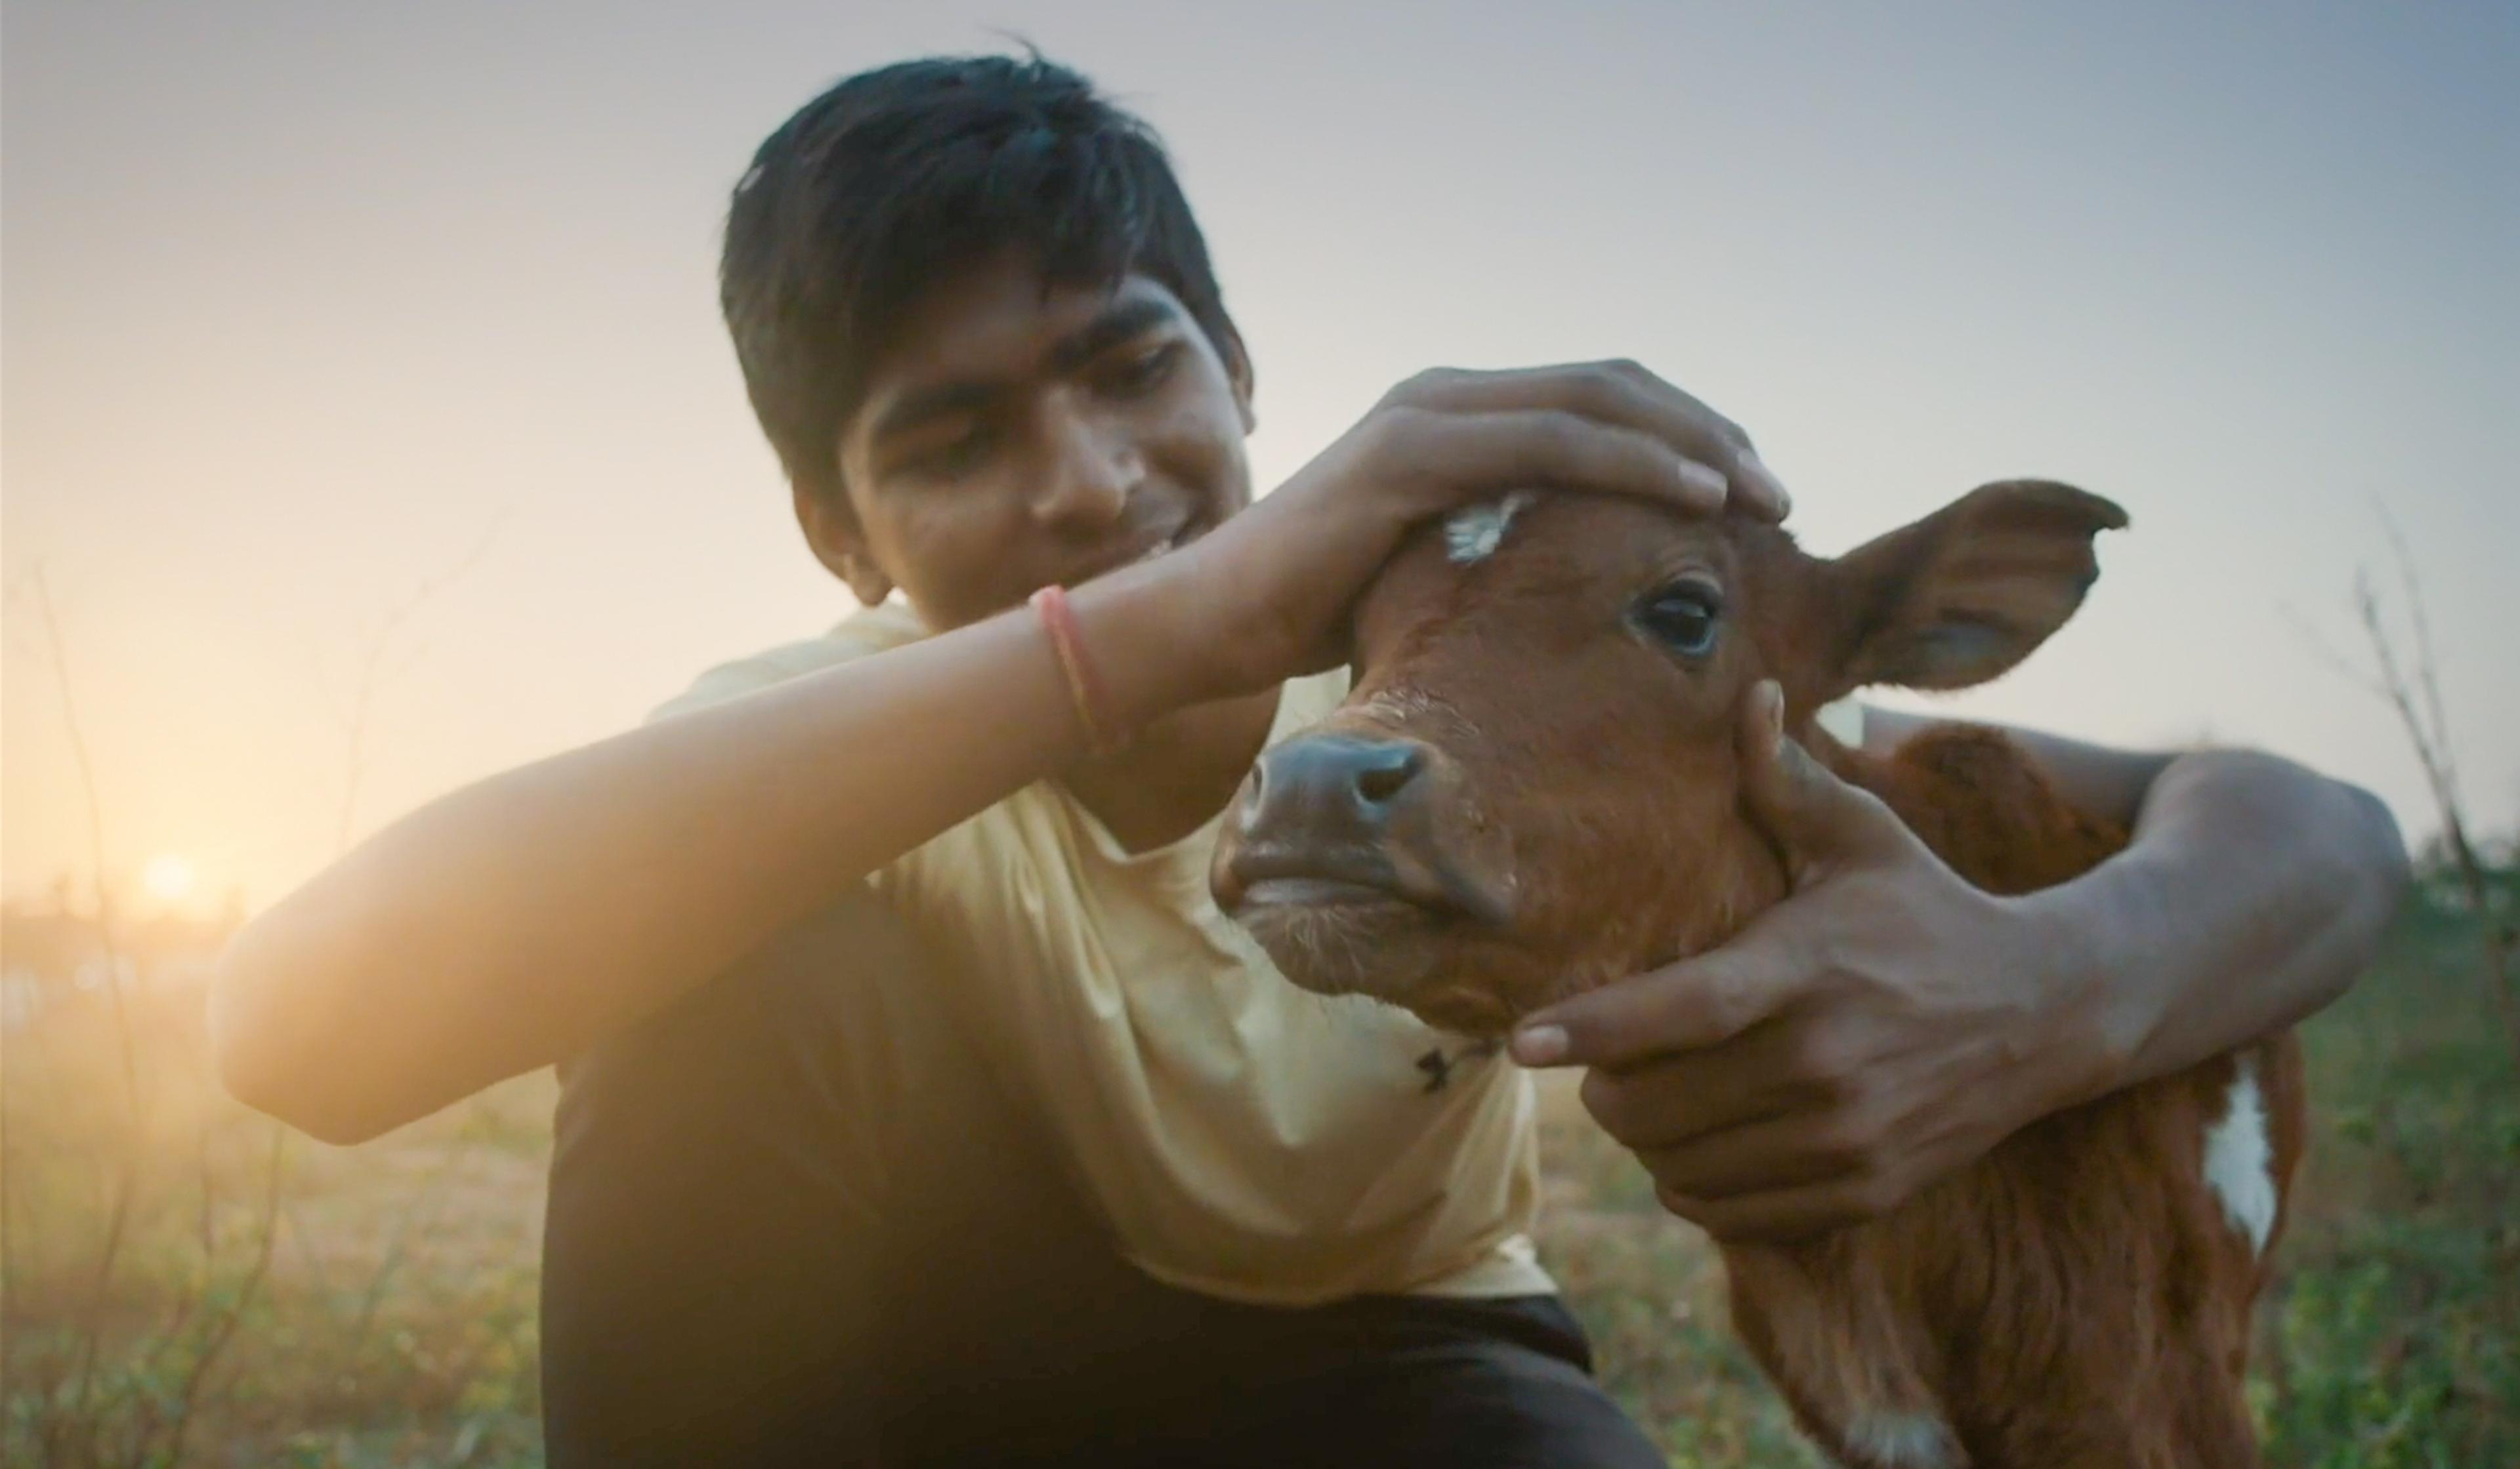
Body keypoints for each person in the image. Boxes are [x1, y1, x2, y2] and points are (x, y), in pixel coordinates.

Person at [208, 52, 2409, 1467]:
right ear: (837, 534)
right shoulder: (824, 740)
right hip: (938, 1366)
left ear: (1243, 367)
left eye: (1127, 367)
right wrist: (1166, 622)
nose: (1082, 480)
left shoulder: (1481, 651)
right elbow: (294, 1023)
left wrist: (2056, 994)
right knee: (713, 951)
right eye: (951, 442)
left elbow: (2312, 833)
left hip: (1391, 1363)